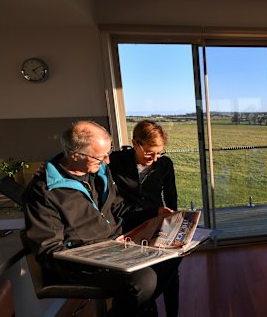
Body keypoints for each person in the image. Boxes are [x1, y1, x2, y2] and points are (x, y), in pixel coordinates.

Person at [23, 120, 179, 317]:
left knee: (171, 258)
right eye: (100, 157)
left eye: (108, 153)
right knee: (143, 280)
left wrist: (154, 213)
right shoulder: (43, 191)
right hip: (83, 262)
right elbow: (49, 250)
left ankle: (140, 308)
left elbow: (119, 208)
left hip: (117, 247)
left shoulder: (99, 173)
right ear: (75, 155)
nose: (107, 161)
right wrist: (99, 258)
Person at [108, 120, 181, 316]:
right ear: (135, 143)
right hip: (128, 223)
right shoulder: (116, 160)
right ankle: (145, 306)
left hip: (157, 221)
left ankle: (167, 311)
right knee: (143, 270)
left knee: (171, 265)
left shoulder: (164, 165)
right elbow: (83, 155)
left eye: (159, 153)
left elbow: (171, 196)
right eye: (150, 152)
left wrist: (174, 220)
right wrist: (50, 166)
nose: (155, 158)